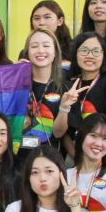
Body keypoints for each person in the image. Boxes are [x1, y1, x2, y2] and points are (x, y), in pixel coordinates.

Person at [62, 33, 106, 156]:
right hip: (73, 153)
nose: (90, 55)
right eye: (84, 50)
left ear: (104, 55)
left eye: (96, 51)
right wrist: (75, 154)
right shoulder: (68, 85)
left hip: (103, 152)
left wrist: (94, 149)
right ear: (75, 54)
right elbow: (63, 130)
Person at [17, 29, 69, 157]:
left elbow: (58, 133)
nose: (40, 50)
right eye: (34, 46)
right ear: (27, 53)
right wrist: (12, 75)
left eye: (46, 45)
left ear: (55, 51)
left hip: (50, 160)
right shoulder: (16, 85)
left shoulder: (65, 88)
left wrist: (64, 108)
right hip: (18, 160)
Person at [30, 0, 72, 67]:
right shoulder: (26, 53)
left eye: (47, 17)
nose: (41, 22)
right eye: (36, 18)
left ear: (60, 21)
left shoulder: (73, 49)